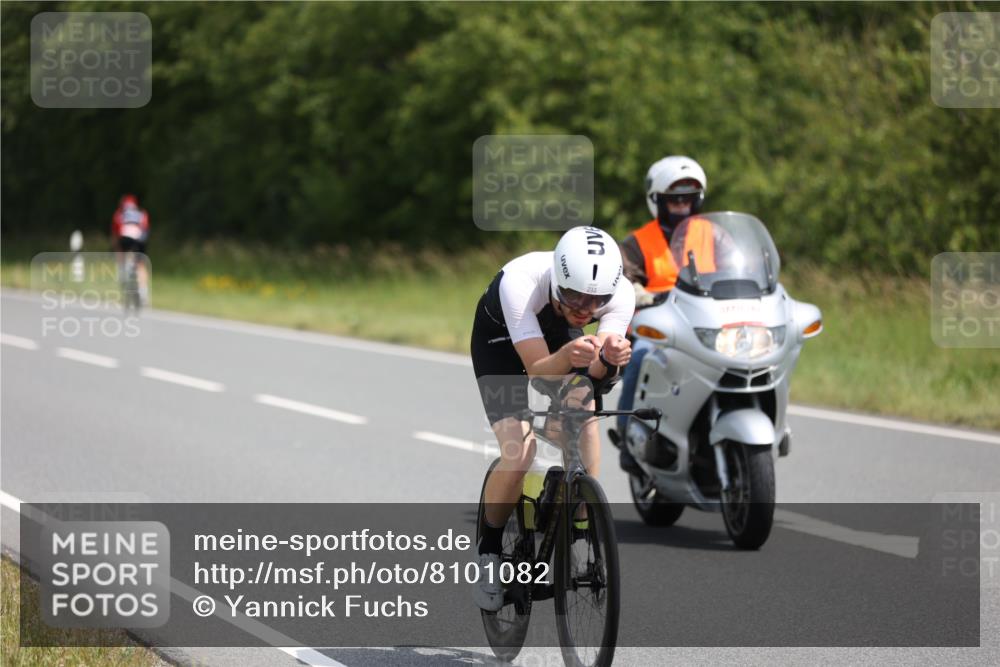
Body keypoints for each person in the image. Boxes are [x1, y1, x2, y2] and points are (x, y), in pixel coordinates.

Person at [470, 226, 634, 611]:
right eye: (574, 295)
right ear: (558, 281)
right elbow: (538, 371)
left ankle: (579, 520)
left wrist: (609, 361)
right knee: (520, 450)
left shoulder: (621, 293)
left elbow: (596, 375)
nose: (585, 308)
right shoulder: (520, 282)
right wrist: (569, 358)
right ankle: (489, 552)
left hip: (559, 336)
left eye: (596, 301)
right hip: (501, 346)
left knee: (584, 410)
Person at [615, 156, 708, 473]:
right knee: (639, 355)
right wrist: (643, 294)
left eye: (688, 197)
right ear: (658, 200)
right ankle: (627, 434)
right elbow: (625, 280)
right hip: (660, 327)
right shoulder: (638, 241)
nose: (682, 204)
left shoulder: (713, 235)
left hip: (707, 326)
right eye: (674, 198)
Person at [111, 194, 151, 303]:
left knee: (122, 255)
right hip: (140, 239)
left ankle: (123, 274)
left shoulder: (119, 213)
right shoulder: (142, 213)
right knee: (141, 265)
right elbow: (146, 229)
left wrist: (117, 251)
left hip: (125, 238)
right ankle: (144, 292)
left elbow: (115, 234)